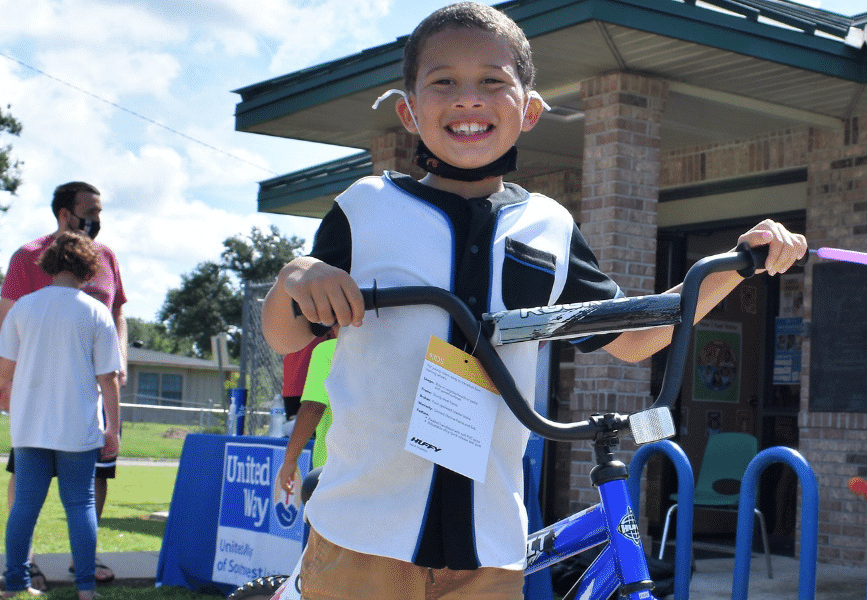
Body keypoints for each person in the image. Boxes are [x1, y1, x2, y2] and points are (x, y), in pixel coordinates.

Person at [259, 4, 807, 599]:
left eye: (493, 81)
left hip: (490, 549)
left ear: (531, 109)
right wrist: (297, 274)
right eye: (444, 82)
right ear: (408, 111)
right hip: (361, 535)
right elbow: (286, 337)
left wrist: (735, 266)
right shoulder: (365, 207)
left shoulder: (548, 225)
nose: (469, 99)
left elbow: (635, 338)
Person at [0, 181, 128, 586]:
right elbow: (6, 325)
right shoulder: (27, 255)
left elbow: (117, 313)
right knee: (47, 491)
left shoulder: (108, 257)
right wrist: (2, 382)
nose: (97, 221)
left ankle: (69, 566)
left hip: (90, 392)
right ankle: (29, 564)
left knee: (92, 484)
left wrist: (118, 361)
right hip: (36, 394)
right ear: (65, 212)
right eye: (91, 211)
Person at [274, 326, 336, 501]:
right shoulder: (386, 353)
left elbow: (312, 408)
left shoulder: (328, 351)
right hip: (380, 470)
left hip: (333, 472)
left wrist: (290, 460)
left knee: (321, 528)